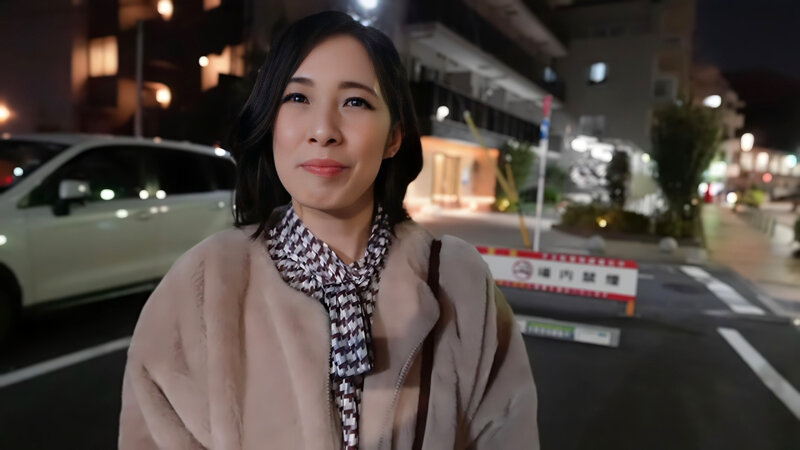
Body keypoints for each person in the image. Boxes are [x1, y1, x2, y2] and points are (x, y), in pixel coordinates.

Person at [119, 11, 538, 450]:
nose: (323, 131)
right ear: (270, 122)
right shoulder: (204, 283)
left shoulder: (457, 281)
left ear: (394, 137)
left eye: (355, 102)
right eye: (297, 98)